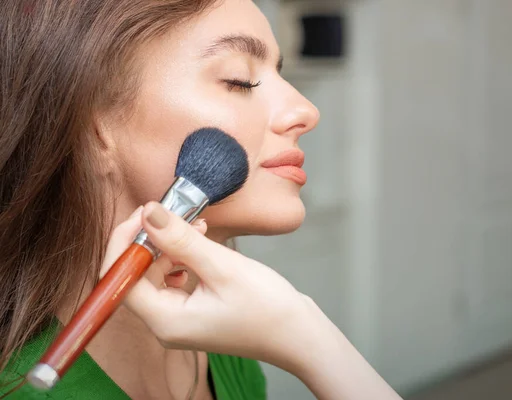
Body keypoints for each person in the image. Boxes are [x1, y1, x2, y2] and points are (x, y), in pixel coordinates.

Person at [0, 0, 402, 399]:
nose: (306, 110)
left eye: (280, 74)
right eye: (239, 80)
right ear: (95, 128)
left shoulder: (228, 352)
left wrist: (307, 337)